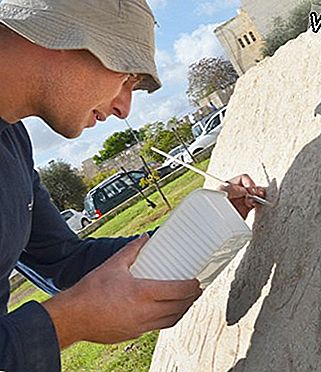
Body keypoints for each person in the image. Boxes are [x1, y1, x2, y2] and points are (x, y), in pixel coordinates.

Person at [0, 0, 265, 370]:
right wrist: (69, 322)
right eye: (127, 76)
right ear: (59, 33)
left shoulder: (13, 141)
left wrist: (201, 229)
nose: (124, 108)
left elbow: (63, 261)